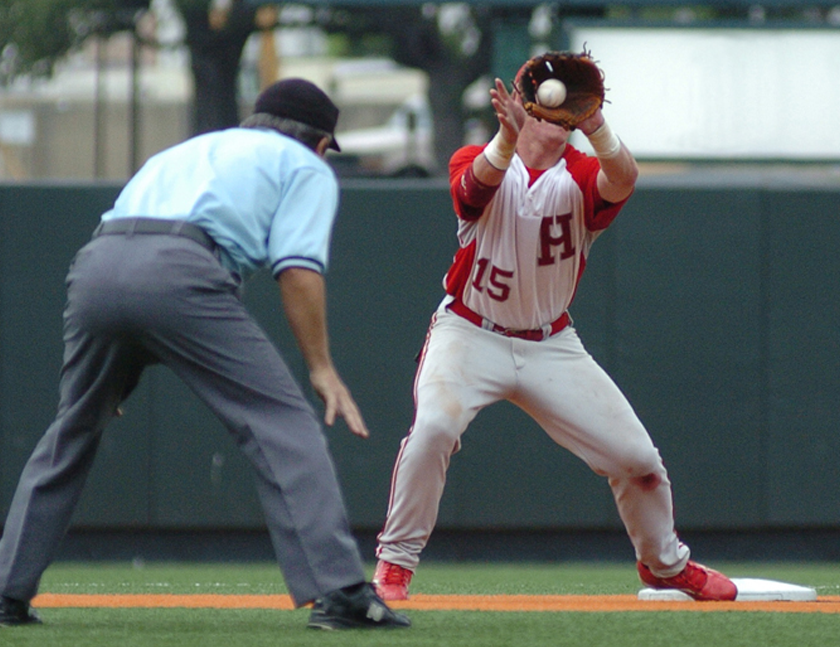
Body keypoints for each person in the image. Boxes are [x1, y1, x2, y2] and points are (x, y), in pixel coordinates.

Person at [0, 79, 409, 630]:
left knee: (72, 428)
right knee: (281, 422)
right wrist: (321, 366)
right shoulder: (305, 166)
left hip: (97, 264)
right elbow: (298, 269)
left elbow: (126, 265)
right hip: (181, 270)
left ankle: (6, 590)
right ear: (319, 142)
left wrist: (114, 377)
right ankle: (340, 593)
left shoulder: (187, 150)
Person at [370, 55, 736, 602]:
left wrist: (596, 127)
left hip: (550, 344)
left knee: (639, 463)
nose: (554, 117)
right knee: (434, 430)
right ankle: (395, 565)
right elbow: (472, 189)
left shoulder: (583, 173)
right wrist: (506, 136)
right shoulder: (479, 156)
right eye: (544, 108)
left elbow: (625, 179)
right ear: (522, 105)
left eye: (565, 113)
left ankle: (664, 565)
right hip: (470, 332)